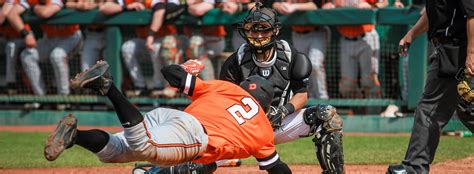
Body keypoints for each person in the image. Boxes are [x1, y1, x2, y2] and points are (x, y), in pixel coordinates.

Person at [44, 60, 292, 174]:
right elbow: (276, 168)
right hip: (194, 136)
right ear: (266, 103)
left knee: (116, 151)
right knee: (144, 145)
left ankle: (74, 136)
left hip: (170, 118)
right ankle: (108, 86)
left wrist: (185, 67)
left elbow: (169, 73)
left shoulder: (226, 88)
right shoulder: (263, 130)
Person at [218, 3, 344, 173]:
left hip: (278, 122)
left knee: (327, 115)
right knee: (199, 156)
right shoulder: (237, 60)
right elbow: (223, 100)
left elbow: (301, 94)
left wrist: (283, 111)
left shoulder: (291, 55)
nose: (258, 35)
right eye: (253, 30)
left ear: (275, 31)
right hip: (244, 128)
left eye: (264, 29)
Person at [386, 0, 474, 173]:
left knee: (429, 109)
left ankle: (415, 166)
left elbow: (473, 13)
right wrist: (411, 34)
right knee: (467, 109)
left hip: (457, 49)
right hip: (448, 48)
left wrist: (472, 53)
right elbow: (433, 11)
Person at [103, 0, 184, 97]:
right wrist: (125, 8)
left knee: (156, 46)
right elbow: (105, 8)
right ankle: (140, 86)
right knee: (127, 48)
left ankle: (160, 86)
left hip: (165, 38)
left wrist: (151, 35)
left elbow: (160, 9)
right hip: (144, 39)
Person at [6, 0, 82, 96]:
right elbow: (11, 14)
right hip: (49, 38)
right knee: (27, 55)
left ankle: (64, 97)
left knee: (57, 55)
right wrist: (26, 35)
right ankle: (40, 95)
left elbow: (45, 13)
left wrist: (33, 7)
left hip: (70, 37)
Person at [323, 0, 387, 99]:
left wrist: (372, 6)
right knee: (347, 86)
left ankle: (373, 112)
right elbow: (325, 6)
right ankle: (358, 111)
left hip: (366, 37)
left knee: (369, 81)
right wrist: (329, 5)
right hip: (345, 39)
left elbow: (384, 2)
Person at [273, 0, 329, 99]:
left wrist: (295, 7)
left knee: (315, 65)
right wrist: (280, 6)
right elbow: (273, 3)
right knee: (302, 68)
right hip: (297, 34)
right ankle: (310, 99)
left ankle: (323, 99)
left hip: (316, 31)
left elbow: (315, 5)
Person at [65, 0, 107, 71]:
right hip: (91, 35)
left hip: (108, 34)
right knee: (86, 69)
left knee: (110, 69)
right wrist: (78, 5)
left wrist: (98, 4)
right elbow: (68, 4)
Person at [0, 0, 25, 95]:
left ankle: (11, 84)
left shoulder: (12, 1)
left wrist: (5, 9)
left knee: (11, 46)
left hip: (21, 38)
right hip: (5, 38)